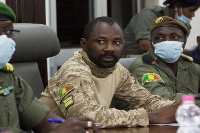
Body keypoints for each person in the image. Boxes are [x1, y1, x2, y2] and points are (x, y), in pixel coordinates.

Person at [40, 16, 181, 128]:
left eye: (117, 42)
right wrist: (151, 117)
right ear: (84, 44)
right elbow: (85, 116)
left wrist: (178, 108)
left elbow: (145, 101)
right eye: (101, 41)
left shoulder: (117, 70)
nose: (110, 48)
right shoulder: (74, 71)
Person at [0, 2, 99, 133]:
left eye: (8, 31)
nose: (5, 39)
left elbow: (43, 121)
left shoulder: (8, 79)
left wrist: (74, 126)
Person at [129, 16, 200, 106]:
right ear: (152, 43)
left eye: (174, 37)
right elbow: (161, 97)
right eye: (159, 38)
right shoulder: (143, 65)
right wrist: (194, 100)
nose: (167, 42)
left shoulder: (190, 66)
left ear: (184, 43)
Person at [122, 0, 200, 56]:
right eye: (191, 10)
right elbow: (144, 45)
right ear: (177, 6)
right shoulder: (149, 14)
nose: (193, 15)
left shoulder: (184, 25)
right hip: (135, 57)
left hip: (164, 59)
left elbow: (178, 48)